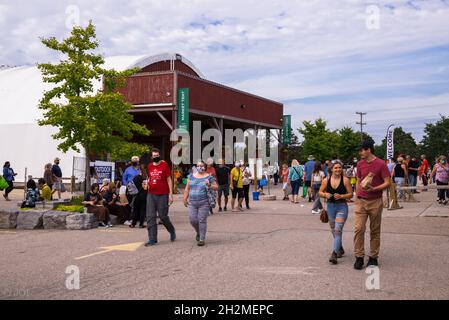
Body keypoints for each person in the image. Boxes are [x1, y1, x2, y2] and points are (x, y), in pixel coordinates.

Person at [353, 140, 391, 270]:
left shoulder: (381, 164)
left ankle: (373, 257)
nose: (360, 153)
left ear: (368, 150)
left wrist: (375, 189)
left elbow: (388, 182)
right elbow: (358, 180)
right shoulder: (360, 164)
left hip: (375, 201)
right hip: (361, 201)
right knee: (359, 229)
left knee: (374, 230)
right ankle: (359, 257)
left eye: (362, 150)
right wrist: (357, 195)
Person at [319, 160, 353, 264]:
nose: (338, 169)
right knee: (334, 230)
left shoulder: (345, 180)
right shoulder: (326, 180)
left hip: (342, 207)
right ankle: (340, 248)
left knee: (338, 230)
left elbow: (351, 194)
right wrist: (325, 195)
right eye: (336, 168)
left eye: (339, 168)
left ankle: (334, 254)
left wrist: (342, 196)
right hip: (330, 207)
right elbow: (320, 192)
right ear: (331, 169)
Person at [145, 148, 176, 246]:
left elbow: (169, 179)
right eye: (154, 156)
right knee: (150, 216)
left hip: (163, 194)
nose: (155, 157)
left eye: (157, 155)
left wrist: (171, 194)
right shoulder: (149, 166)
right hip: (151, 194)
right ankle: (152, 239)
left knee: (163, 216)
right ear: (151, 157)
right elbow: (149, 178)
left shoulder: (164, 165)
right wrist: (146, 184)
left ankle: (171, 230)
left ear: (159, 155)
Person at [183, 160, 218, 246]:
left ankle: (202, 238)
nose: (200, 167)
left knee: (202, 220)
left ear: (205, 167)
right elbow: (187, 188)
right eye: (198, 166)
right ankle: (198, 232)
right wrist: (185, 198)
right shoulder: (191, 176)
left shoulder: (209, 177)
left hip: (204, 202)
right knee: (192, 220)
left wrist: (209, 185)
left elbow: (216, 187)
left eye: (202, 166)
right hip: (192, 203)